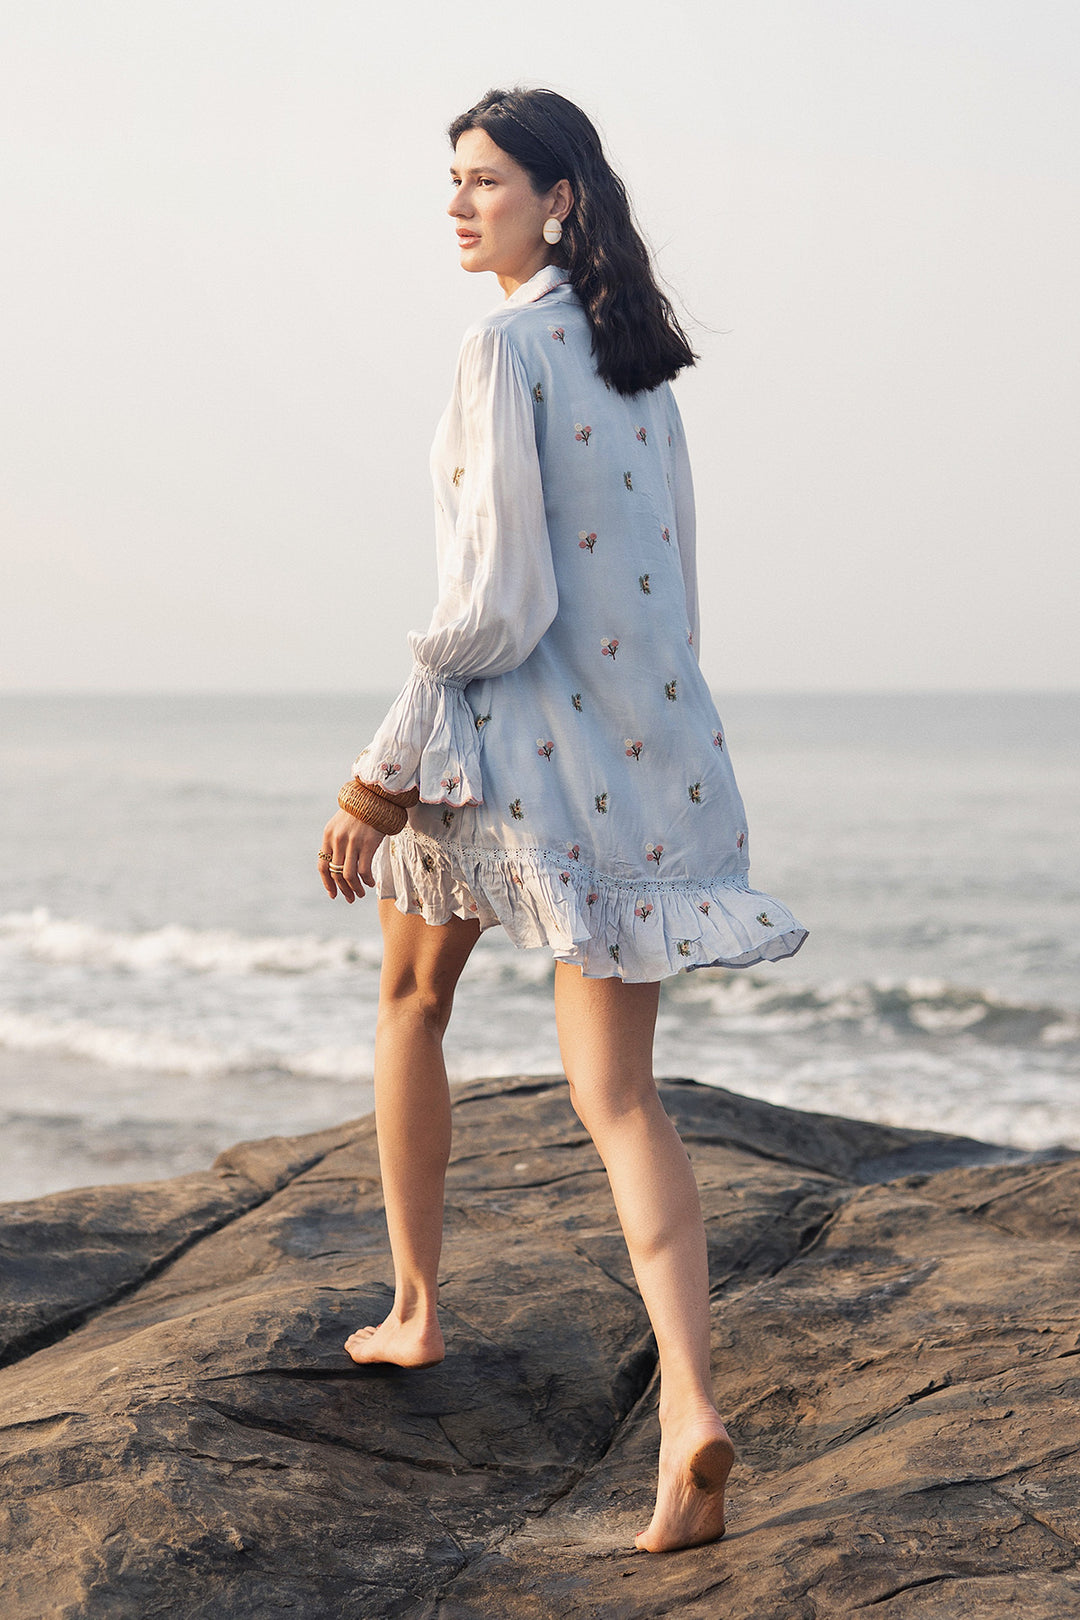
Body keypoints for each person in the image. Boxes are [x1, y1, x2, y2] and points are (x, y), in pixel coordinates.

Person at [318, 86, 807, 1554]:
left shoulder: (501, 348)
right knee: (621, 1100)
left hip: (500, 750)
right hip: (647, 756)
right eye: (451, 183)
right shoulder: (645, 367)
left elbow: (493, 602)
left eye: (484, 182)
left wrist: (380, 771)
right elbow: (676, 595)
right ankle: (691, 1415)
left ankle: (414, 1309)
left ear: (560, 199)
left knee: (411, 1000)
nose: (459, 206)